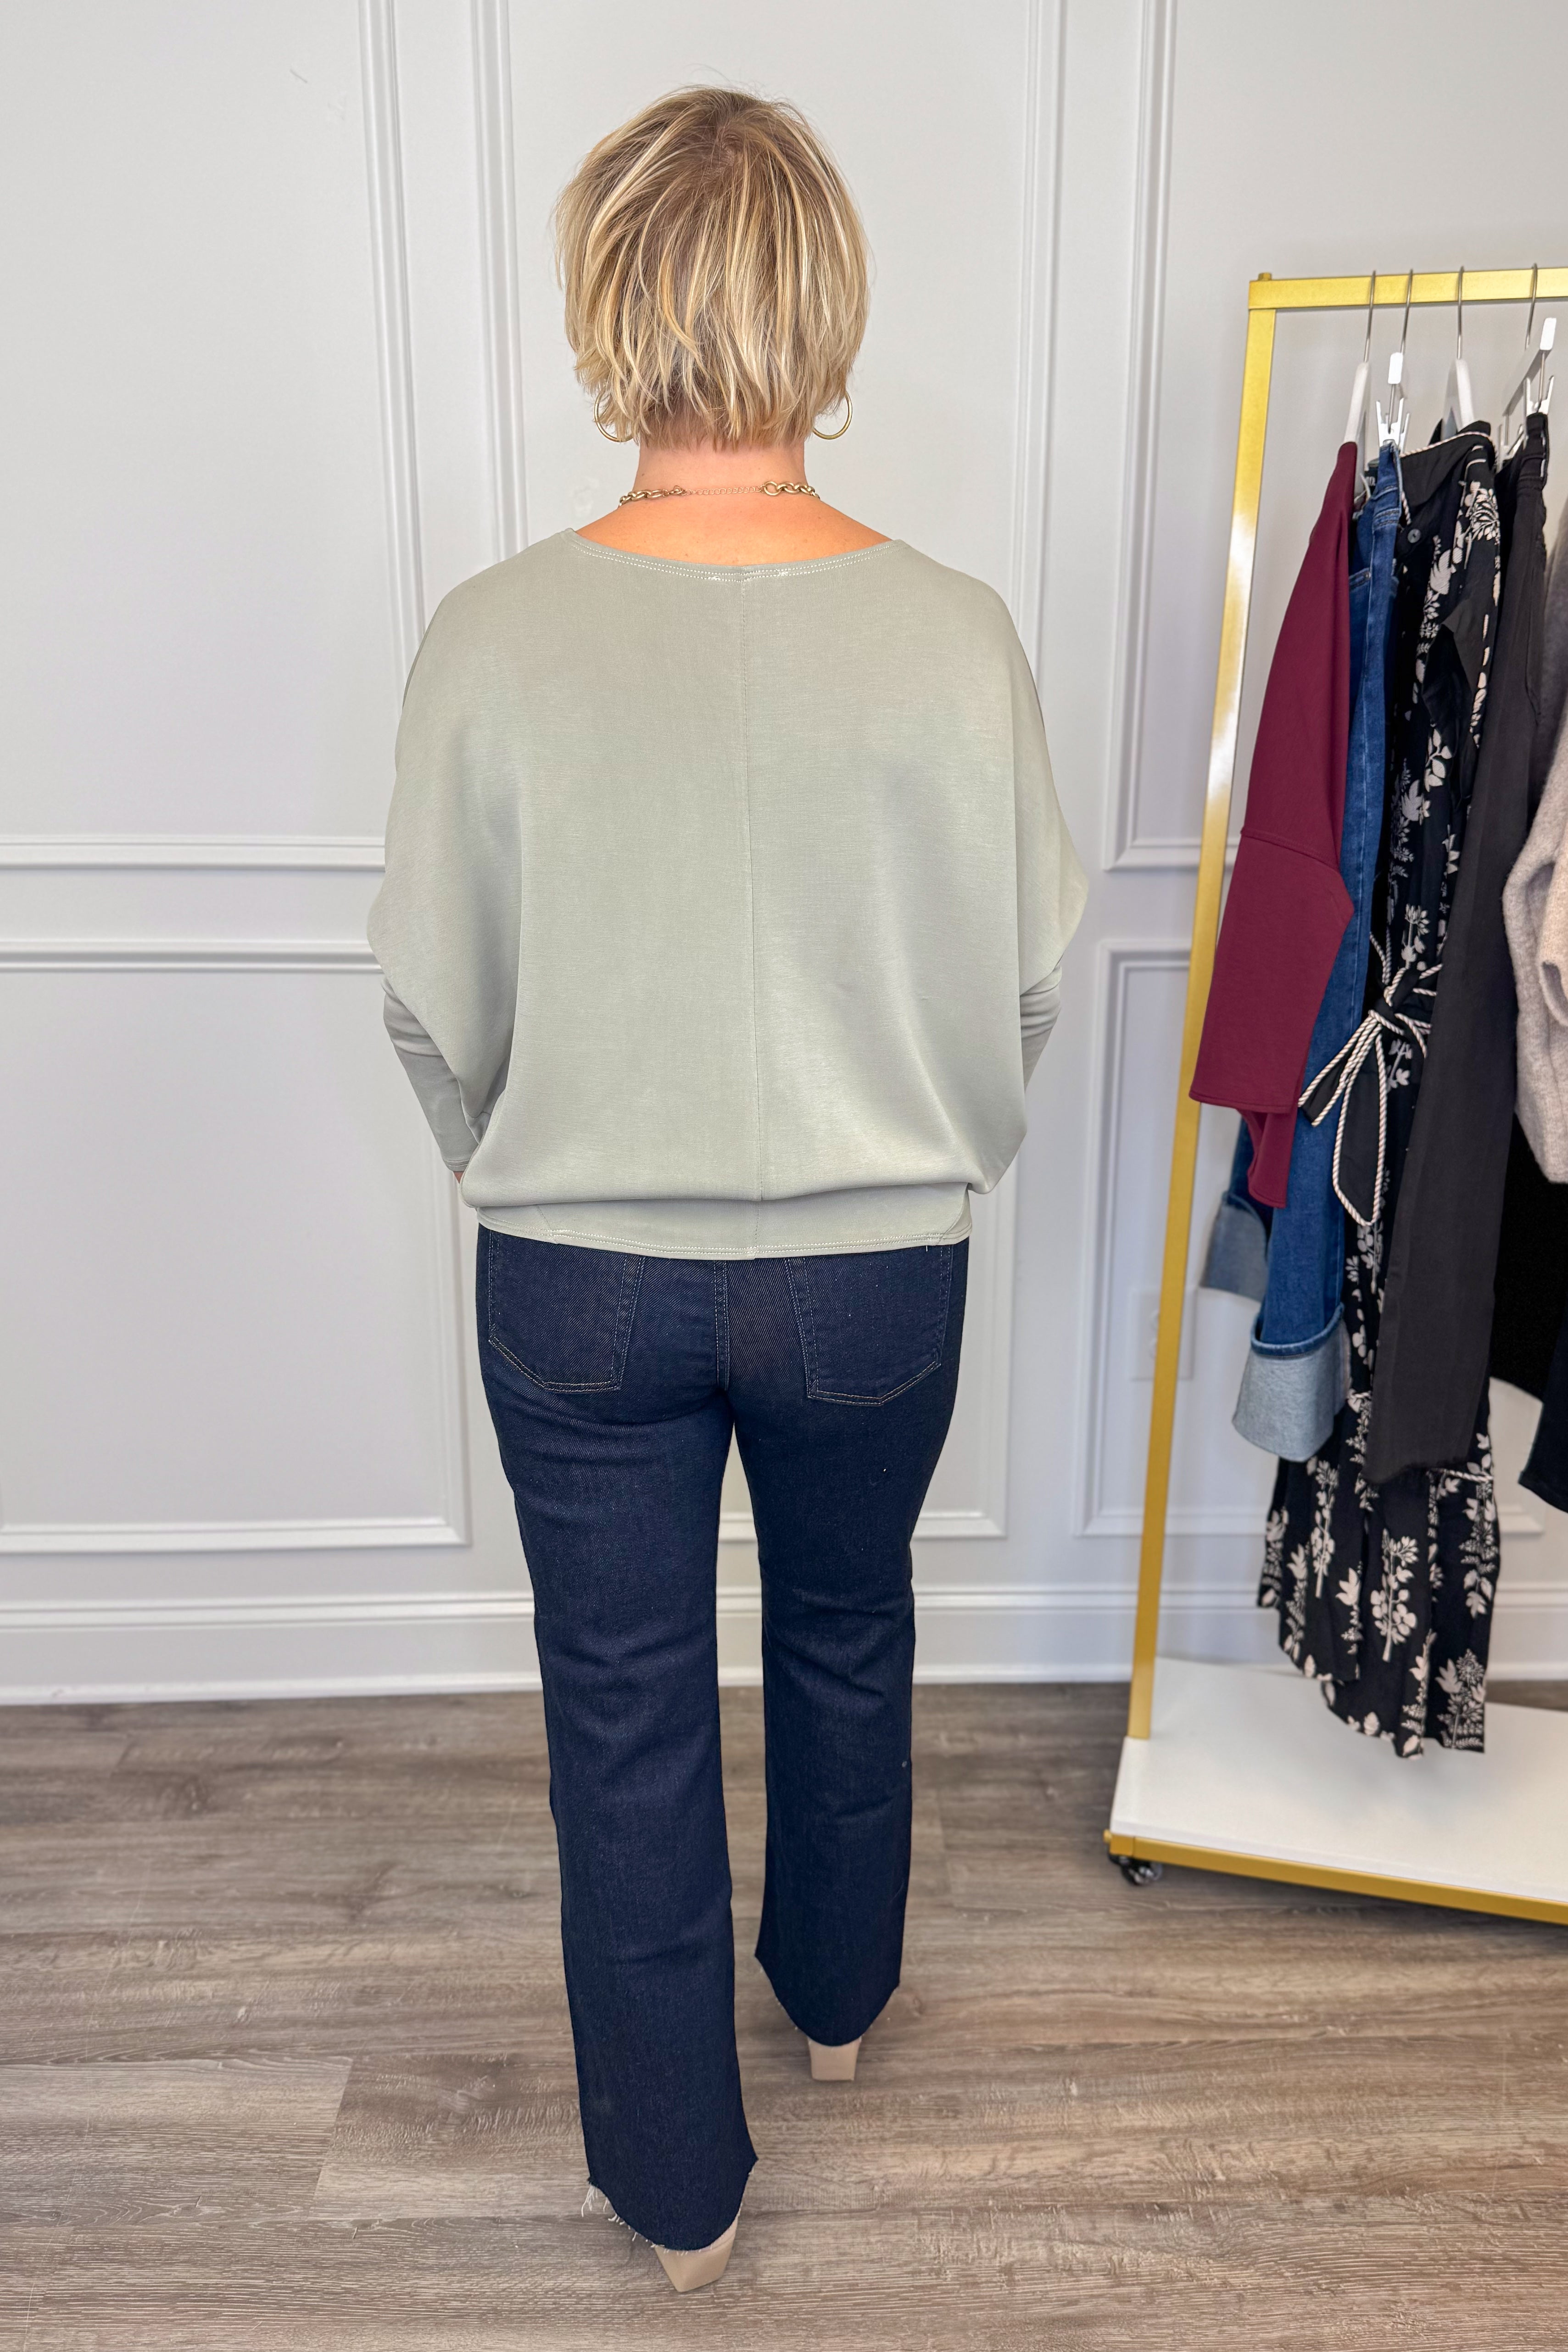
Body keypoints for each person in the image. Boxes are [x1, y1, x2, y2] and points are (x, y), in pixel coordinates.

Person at [368, 84, 1086, 2293]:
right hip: (875, 1270)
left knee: (626, 1708)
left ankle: (681, 2196)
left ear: (611, 296)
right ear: (821, 298)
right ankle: (840, 2002)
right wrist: (923, 1157)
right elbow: (1029, 985)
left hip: (579, 1272)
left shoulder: (492, 634)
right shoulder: (954, 631)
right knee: (852, 1621)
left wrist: (535, 1162)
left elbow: (428, 1008)